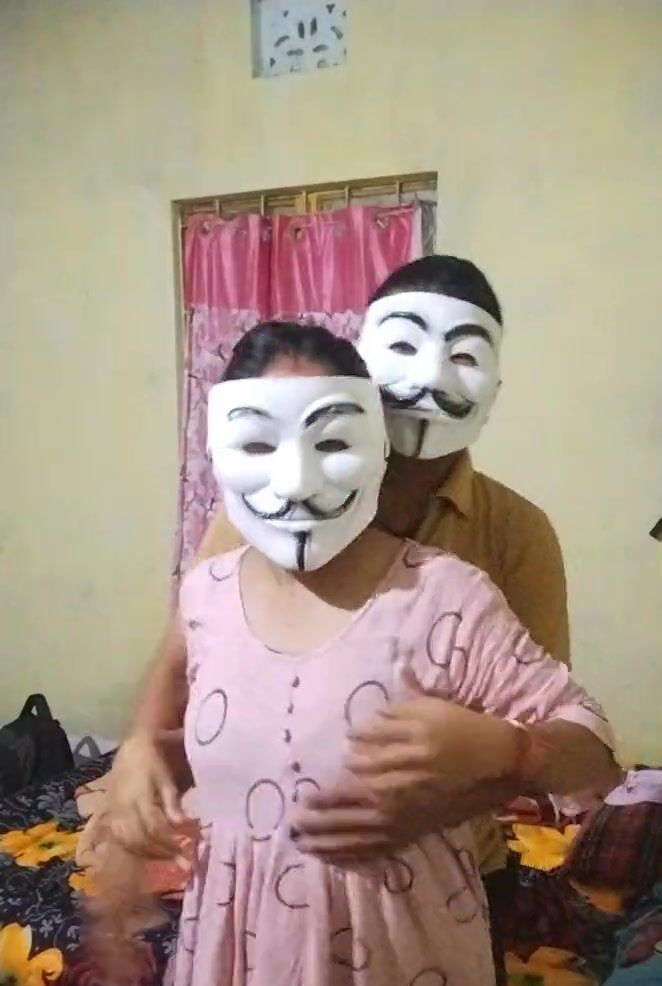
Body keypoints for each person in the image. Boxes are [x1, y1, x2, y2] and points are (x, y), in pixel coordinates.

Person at [94, 321, 616, 986]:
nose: (294, 480)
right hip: (235, 974)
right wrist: (138, 767)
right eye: (259, 442)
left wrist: (506, 746)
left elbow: (595, 755)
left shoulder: (444, 597)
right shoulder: (206, 593)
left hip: (395, 981)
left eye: (329, 439)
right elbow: (209, 727)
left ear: (375, 443)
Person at [80, 255, 569, 875]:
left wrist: (437, 805)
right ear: (362, 366)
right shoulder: (273, 501)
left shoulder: (517, 532)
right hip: (261, 856)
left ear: (494, 391)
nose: (430, 377)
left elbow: (548, 729)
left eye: (466, 357)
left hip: (442, 866)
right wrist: (138, 746)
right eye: (403, 345)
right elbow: (187, 646)